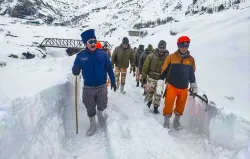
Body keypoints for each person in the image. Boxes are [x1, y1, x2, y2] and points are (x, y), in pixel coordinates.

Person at [72, 29, 116, 136]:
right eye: (90, 42)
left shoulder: (103, 54)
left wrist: (113, 80)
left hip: (102, 86)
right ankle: (92, 124)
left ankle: (100, 113)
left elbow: (109, 68)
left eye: (94, 41)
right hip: (88, 87)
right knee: (89, 106)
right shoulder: (80, 56)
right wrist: (76, 70)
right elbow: (75, 71)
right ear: (85, 44)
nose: (93, 44)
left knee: (102, 104)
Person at [157, 36, 197, 130]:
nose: (184, 48)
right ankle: (166, 122)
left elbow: (191, 74)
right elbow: (164, 71)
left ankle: (176, 121)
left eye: (186, 46)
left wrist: (193, 84)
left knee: (181, 105)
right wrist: (160, 83)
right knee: (169, 104)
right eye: (182, 46)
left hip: (184, 87)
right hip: (172, 85)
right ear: (178, 46)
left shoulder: (191, 59)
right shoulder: (171, 57)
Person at [141, 40, 169, 114]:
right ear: (158, 47)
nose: (161, 49)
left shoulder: (168, 58)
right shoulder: (151, 56)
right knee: (150, 92)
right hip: (151, 77)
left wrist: (168, 79)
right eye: (160, 47)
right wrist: (144, 77)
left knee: (158, 94)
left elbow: (169, 70)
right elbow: (145, 66)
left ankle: (156, 107)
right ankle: (149, 102)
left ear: (165, 48)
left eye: (163, 48)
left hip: (160, 79)